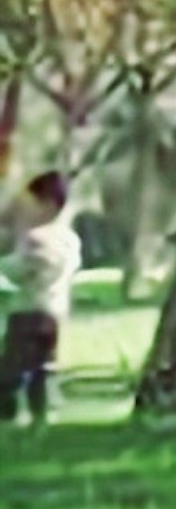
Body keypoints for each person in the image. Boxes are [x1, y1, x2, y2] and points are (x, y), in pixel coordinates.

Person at [4, 169, 78, 426]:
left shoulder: (36, 239)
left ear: (47, 206)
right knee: (43, 367)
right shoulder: (70, 240)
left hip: (27, 311)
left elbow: (22, 270)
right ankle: (42, 414)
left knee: (12, 368)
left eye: (29, 205)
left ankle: (8, 416)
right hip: (54, 312)